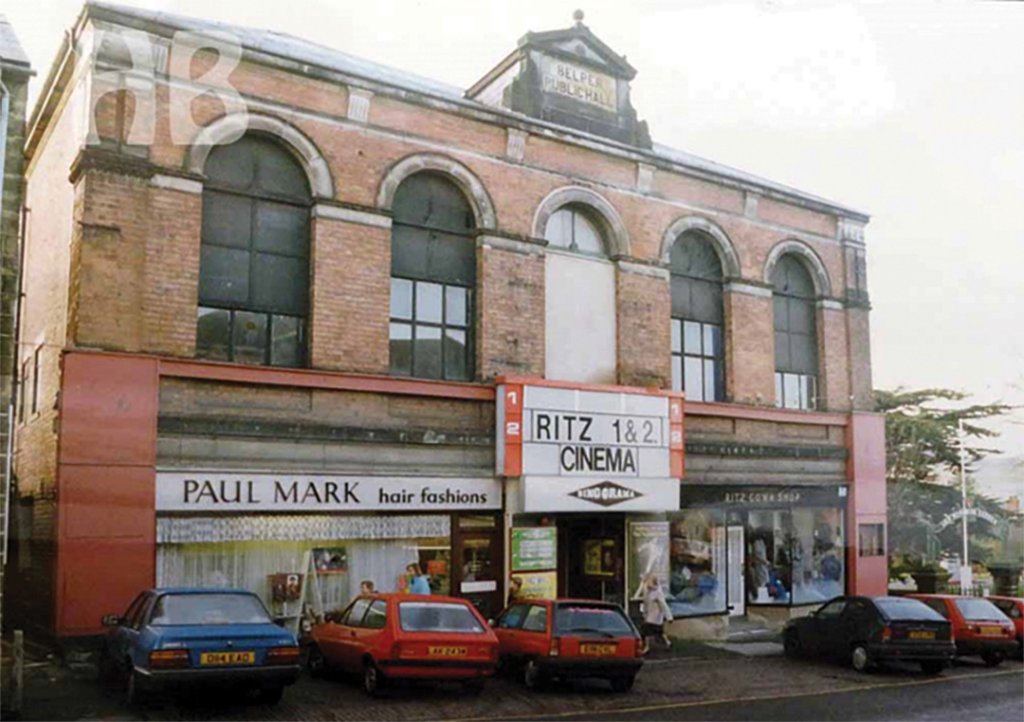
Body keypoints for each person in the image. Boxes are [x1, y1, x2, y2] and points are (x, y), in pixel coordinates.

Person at [640, 574, 674, 652]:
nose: (647, 583)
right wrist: (644, 612)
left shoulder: (657, 593)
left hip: (655, 617)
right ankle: (667, 643)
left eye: (648, 581)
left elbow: (663, 605)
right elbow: (645, 603)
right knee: (658, 632)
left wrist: (669, 617)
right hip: (650, 616)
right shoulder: (648, 591)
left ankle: (647, 647)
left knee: (648, 631)